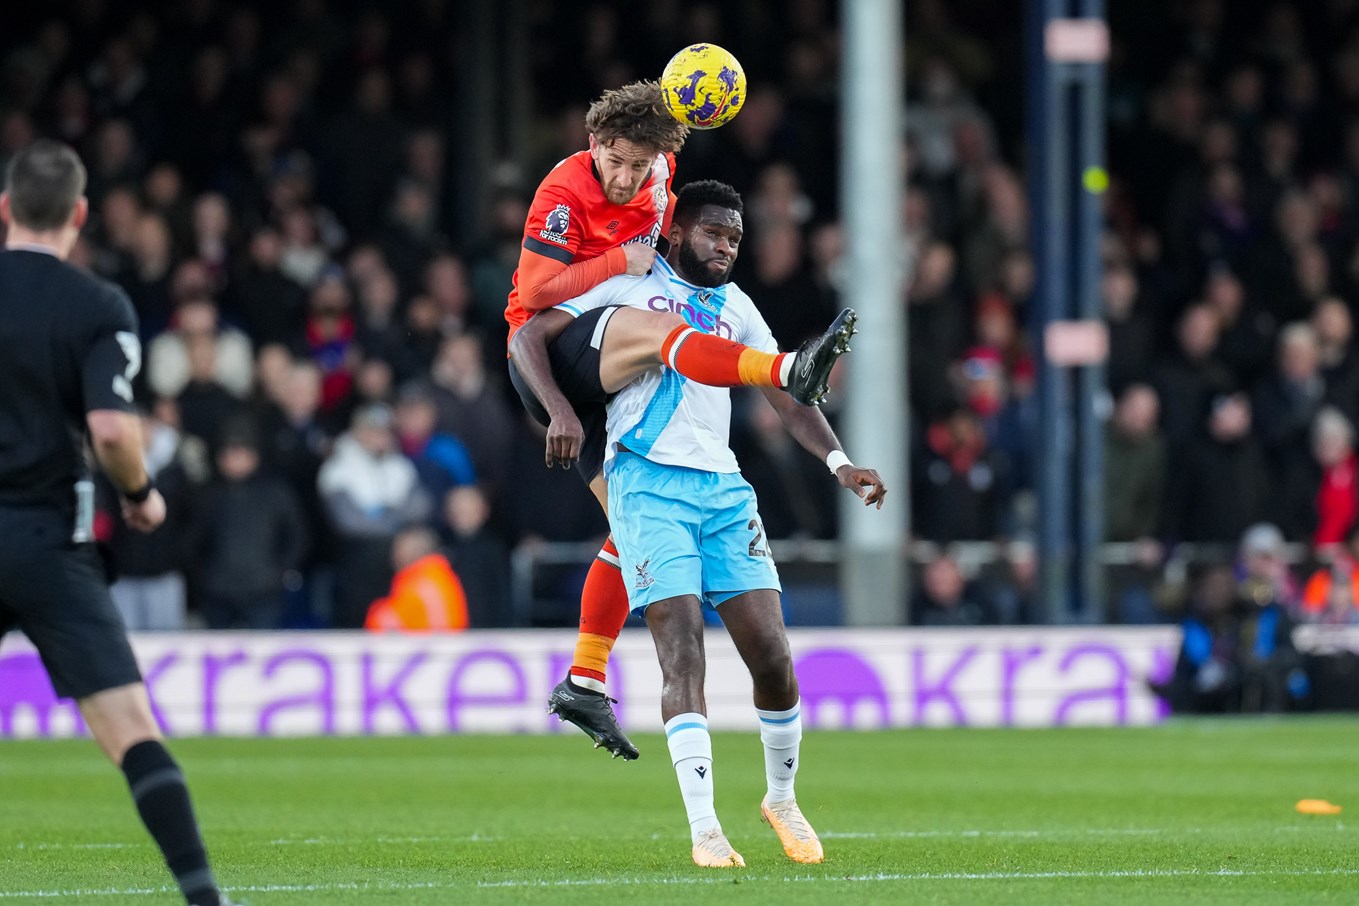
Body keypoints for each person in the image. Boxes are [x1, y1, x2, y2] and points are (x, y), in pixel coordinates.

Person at [539, 180, 887, 867]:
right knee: (682, 651)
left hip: (725, 491)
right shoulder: (629, 285)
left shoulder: (737, 307)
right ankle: (704, 829)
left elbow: (787, 397)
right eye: (712, 234)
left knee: (774, 660)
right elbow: (533, 330)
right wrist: (556, 406)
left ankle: (780, 798)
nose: (725, 248)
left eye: (733, 238)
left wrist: (839, 462)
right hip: (645, 480)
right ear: (675, 233)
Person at [506, 83, 853, 760]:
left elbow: (673, 208)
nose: (631, 177)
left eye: (643, 165)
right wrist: (614, 265)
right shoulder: (562, 193)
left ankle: (583, 678)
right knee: (663, 327)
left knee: (627, 522)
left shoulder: (660, 173)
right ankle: (783, 368)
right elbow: (533, 298)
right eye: (621, 163)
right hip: (550, 355)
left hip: (606, 365)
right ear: (595, 146)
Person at [0, 140, 236, 904]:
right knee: (131, 730)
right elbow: (109, 429)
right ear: (79, 215)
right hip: (46, 544)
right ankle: (202, 895)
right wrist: (139, 494)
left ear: (4, 209)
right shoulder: (97, 305)